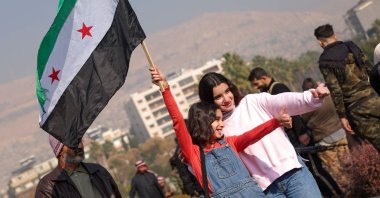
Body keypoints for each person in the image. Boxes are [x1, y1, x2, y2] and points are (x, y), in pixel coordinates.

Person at [150, 66, 292, 197]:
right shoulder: (192, 153)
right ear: (204, 122)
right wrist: (165, 88)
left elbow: (252, 135)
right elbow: (178, 121)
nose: (221, 124)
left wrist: (276, 121)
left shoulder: (230, 142)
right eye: (217, 120)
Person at [198, 72, 330, 198]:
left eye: (227, 91)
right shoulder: (217, 129)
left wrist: (311, 96)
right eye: (218, 97)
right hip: (265, 191)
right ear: (209, 101)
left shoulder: (252, 101)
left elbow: (284, 101)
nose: (226, 99)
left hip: (294, 174)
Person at [248, 67, 343, 197]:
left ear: (263, 78)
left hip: (299, 137)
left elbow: (294, 112)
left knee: (316, 170)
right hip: (293, 139)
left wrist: (301, 133)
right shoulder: (268, 92)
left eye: (256, 83)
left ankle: (336, 194)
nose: (256, 87)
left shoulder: (277, 89)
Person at [314, 24, 380, 152]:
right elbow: (370, 70)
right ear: (335, 35)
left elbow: (335, 90)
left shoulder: (325, 61)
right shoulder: (351, 47)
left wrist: (342, 117)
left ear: (320, 42)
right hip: (375, 98)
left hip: (358, 109)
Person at [35, 135, 121, 198]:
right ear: (59, 151)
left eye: (80, 140)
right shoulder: (48, 186)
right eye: (73, 143)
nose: (80, 146)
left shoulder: (99, 171)